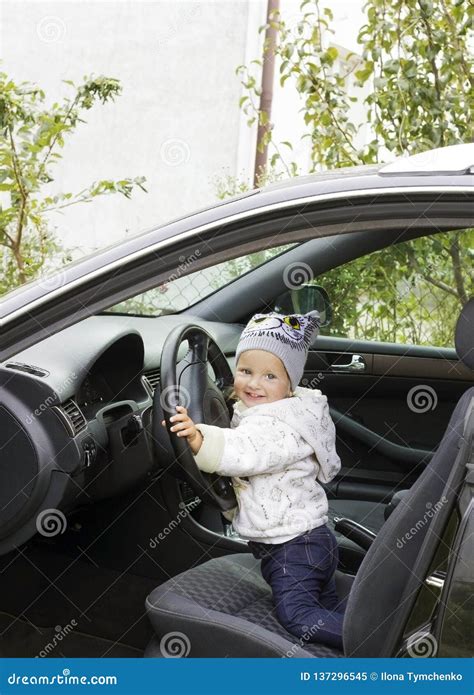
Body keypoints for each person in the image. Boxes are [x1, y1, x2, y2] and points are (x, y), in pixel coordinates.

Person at [162, 310, 346, 650]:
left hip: (294, 549)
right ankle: (368, 624)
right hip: (311, 539)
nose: (253, 384)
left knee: (299, 617)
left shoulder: (277, 425)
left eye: (269, 376)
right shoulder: (284, 411)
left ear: (290, 385)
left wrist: (198, 438)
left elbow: (246, 451)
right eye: (245, 371)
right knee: (328, 606)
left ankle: (381, 643)